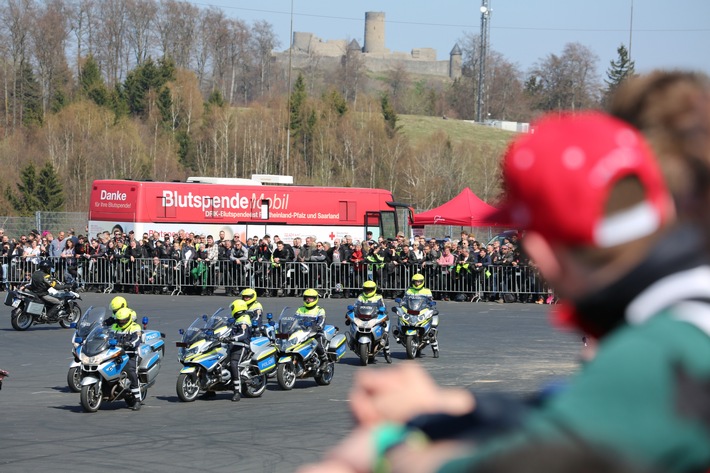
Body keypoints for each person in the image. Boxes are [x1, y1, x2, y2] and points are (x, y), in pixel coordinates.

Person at [297, 111, 710, 473]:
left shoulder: (663, 347)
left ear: (540, 248)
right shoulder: (682, 306)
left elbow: (538, 457)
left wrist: (387, 451)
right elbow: (573, 410)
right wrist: (454, 407)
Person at [110, 307, 143, 410]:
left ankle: (137, 400)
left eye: (123, 320)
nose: (121, 322)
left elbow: (137, 339)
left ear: (128, 319)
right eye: (120, 320)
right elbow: (108, 336)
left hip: (130, 354)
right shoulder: (115, 326)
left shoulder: (135, 327)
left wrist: (130, 343)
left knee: (131, 372)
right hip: (116, 353)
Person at [356, 280, 391, 358]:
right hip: (363, 318)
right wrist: (353, 310)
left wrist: (383, 310)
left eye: (370, 289)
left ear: (374, 289)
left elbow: (383, 307)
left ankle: (387, 351)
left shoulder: (379, 297)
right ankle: (354, 341)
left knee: (385, 331)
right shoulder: (361, 296)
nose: (368, 291)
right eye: (366, 289)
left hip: (375, 317)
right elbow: (356, 306)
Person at [228, 299, 252, 402]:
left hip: (242, 346)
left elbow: (243, 335)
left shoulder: (244, 319)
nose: (232, 310)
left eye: (233, 308)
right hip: (233, 345)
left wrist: (232, 338)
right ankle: (210, 390)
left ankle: (237, 391)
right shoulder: (237, 319)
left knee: (234, 363)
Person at [296, 288, 328, 365]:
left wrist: (318, 326)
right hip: (302, 332)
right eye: (306, 298)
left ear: (315, 299)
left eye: (311, 298)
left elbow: (322, 321)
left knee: (317, 343)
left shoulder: (320, 310)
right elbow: (294, 319)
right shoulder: (300, 309)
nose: (308, 300)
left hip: (315, 332)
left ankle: (324, 359)